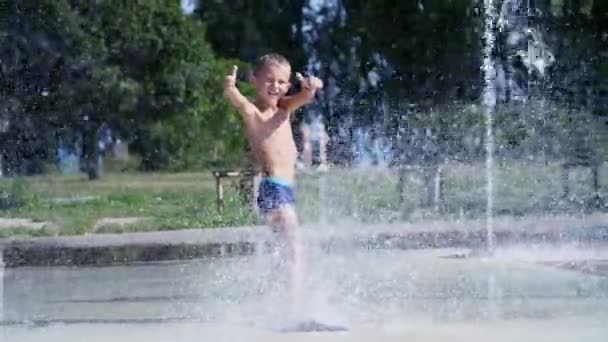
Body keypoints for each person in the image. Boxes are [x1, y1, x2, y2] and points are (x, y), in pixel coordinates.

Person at [223, 53, 323, 310]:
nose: (275, 86)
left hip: (287, 191)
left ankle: (266, 301)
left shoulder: (284, 108)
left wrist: (313, 86)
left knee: (284, 252)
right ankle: (294, 307)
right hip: (272, 189)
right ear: (254, 81)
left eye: (281, 82)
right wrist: (230, 88)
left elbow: (306, 96)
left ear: (287, 86)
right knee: (295, 246)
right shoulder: (254, 114)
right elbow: (238, 102)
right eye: (269, 80)